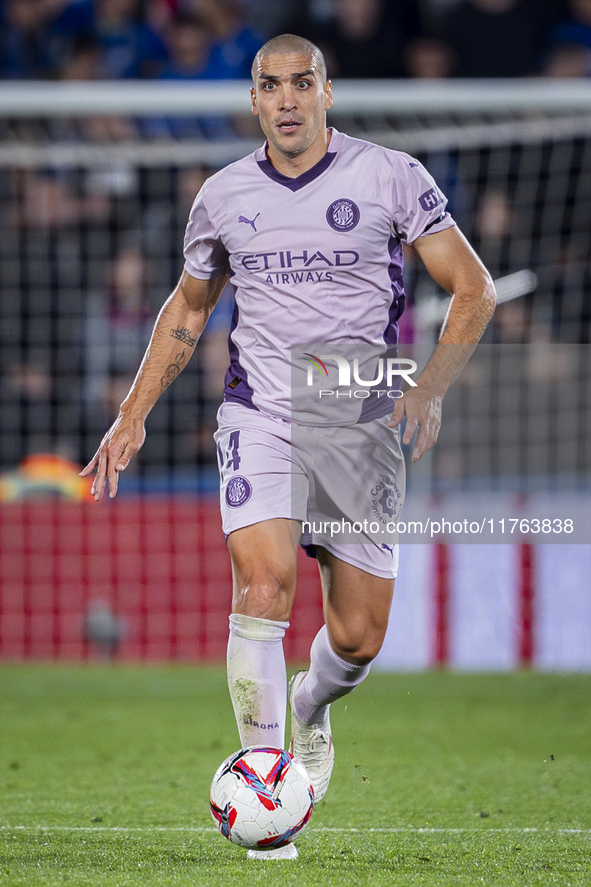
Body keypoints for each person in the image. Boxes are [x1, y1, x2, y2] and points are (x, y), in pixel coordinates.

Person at [82, 34, 496, 859]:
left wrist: (427, 387)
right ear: (254, 100)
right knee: (264, 586)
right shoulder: (224, 194)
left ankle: (310, 708)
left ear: (327, 92)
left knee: (356, 638)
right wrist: (131, 414)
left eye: (301, 83)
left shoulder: (390, 176)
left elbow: (472, 286)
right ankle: (268, 787)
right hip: (259, 414)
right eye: (270, 85)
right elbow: (189, 311)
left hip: (358, 423)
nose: (287, 99)